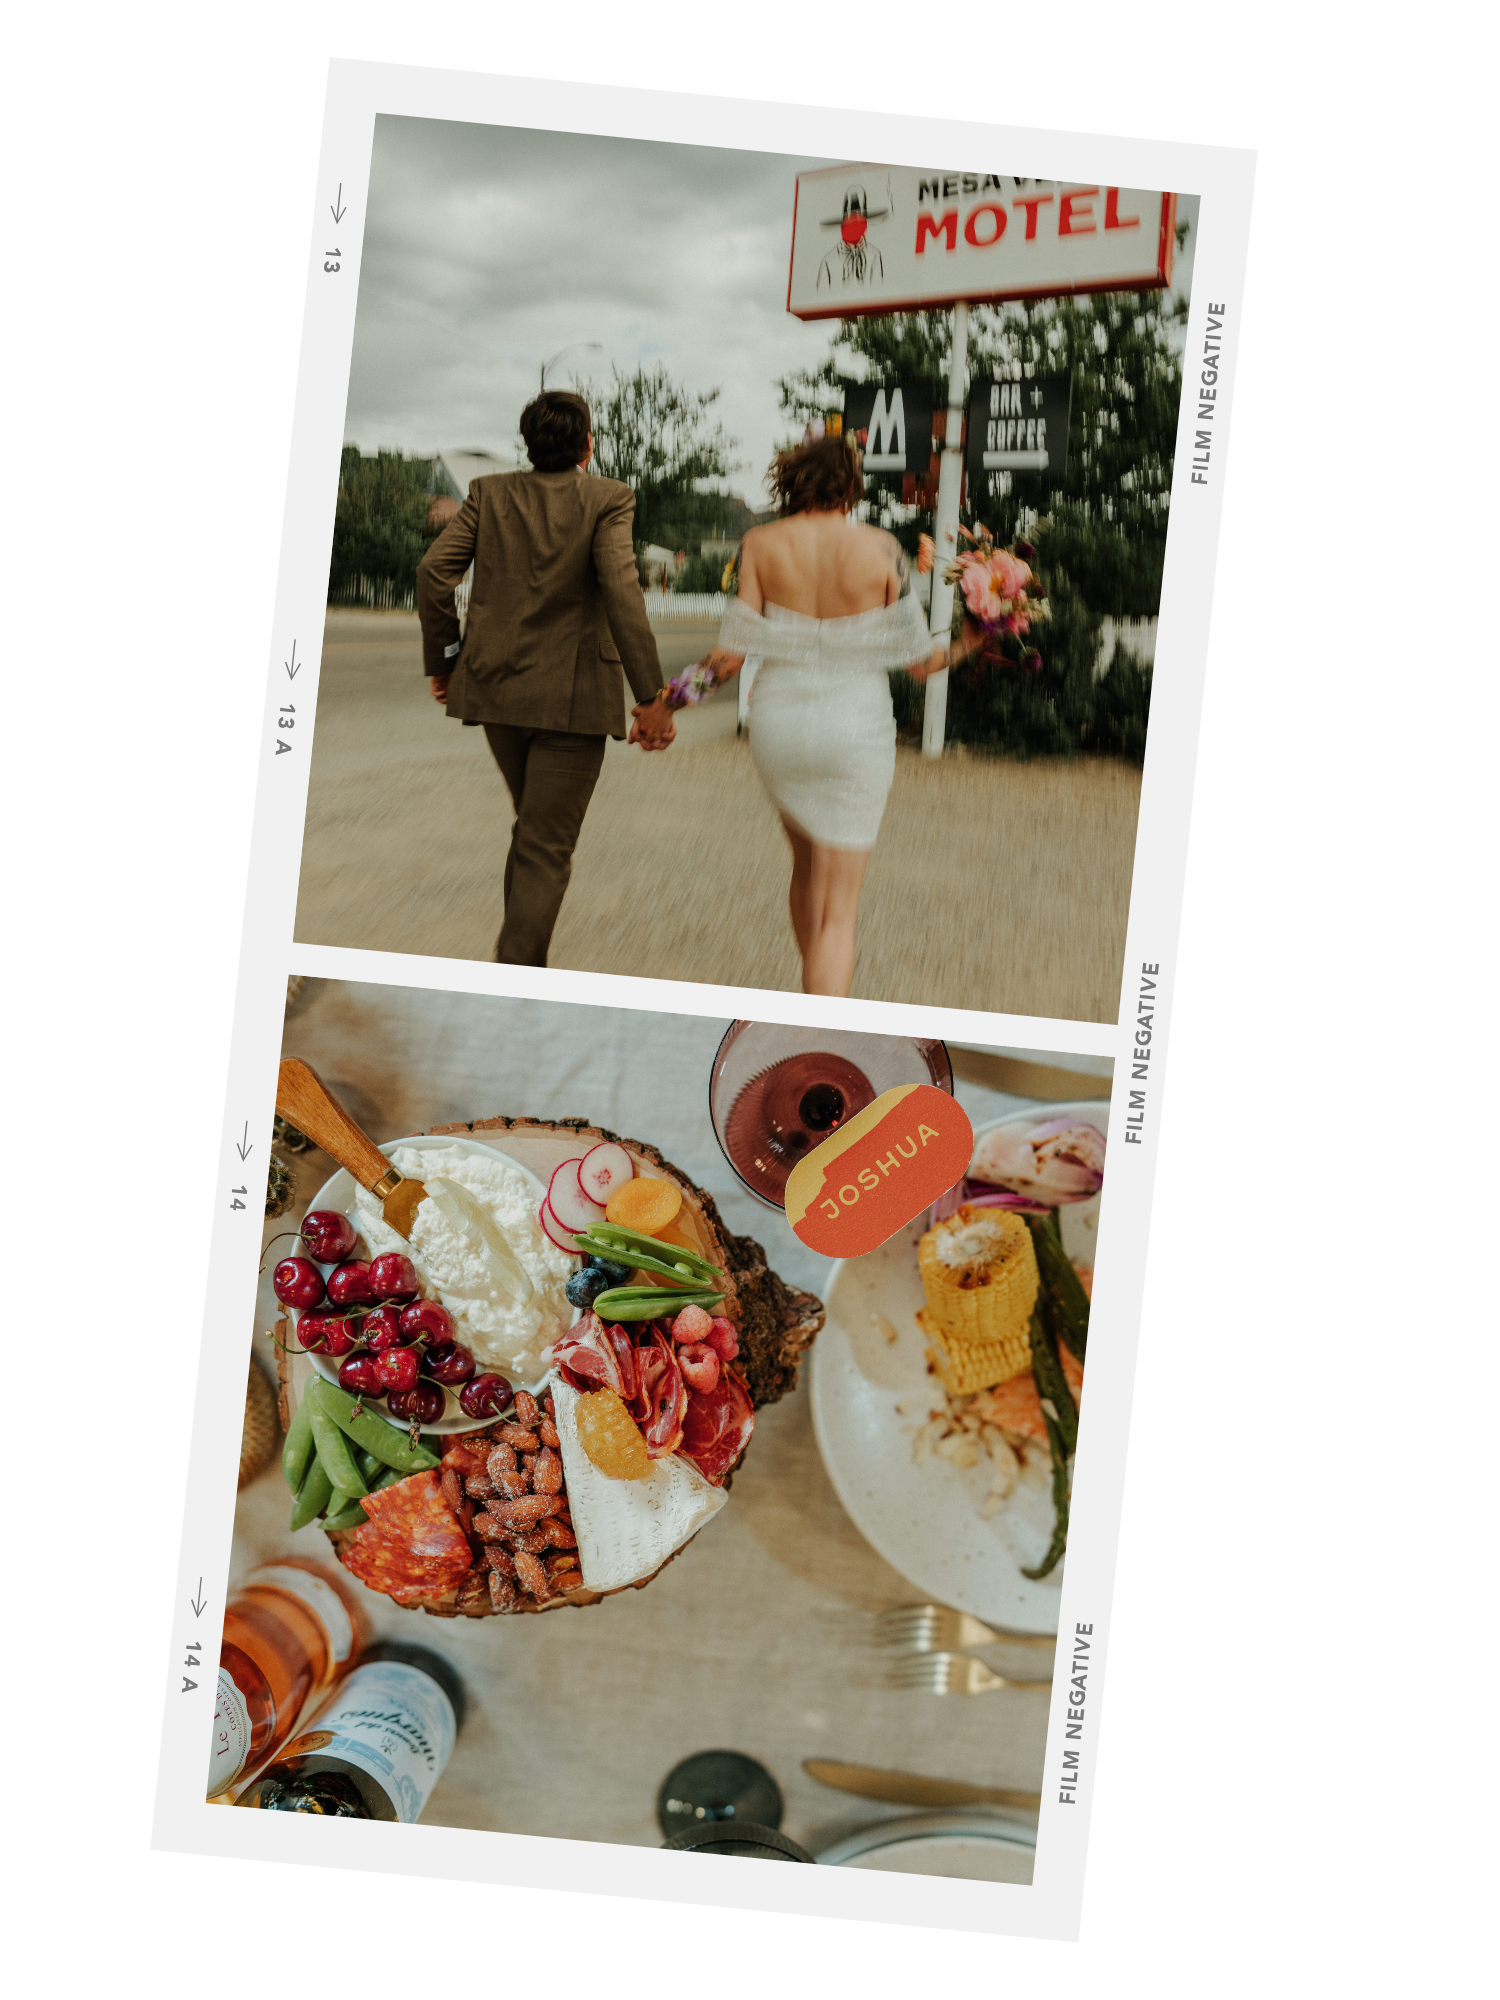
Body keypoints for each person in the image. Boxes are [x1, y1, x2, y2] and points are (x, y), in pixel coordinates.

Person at [630, 429, 978, 997]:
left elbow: (728, 658)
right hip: (856, 728)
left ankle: (811, 985)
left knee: (805, 868)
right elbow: (920, 662)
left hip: (780, 726)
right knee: (839, 912)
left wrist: (664, 707)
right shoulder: (882, 549)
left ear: (791, 482)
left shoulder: (760, 544)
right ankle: (822, 1017)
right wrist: (971, 641)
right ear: (851, 486)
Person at [416, 390, 674, 966]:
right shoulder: (608, 498)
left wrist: (447, 660)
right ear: (587, 446)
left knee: (533, 833)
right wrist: (652, 697)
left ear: (529, 444)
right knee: (545, 847)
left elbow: (434, 573)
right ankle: (514, 974)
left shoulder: (489, 493)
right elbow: (622, 590)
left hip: (496, 692)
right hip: (572, 704)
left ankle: (515, 965)